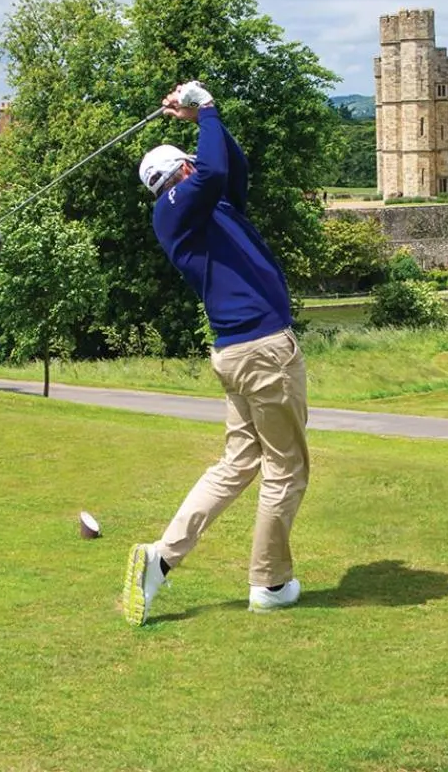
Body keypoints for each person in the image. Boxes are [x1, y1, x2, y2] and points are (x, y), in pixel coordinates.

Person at [121, 81, 310, 626]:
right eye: (189, 166)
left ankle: (161, 559)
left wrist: (203, 120)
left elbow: (232, 166)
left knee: (238, 463)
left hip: (240, 353)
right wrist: (204, 108)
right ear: (178, 173)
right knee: (285, 469)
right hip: (263, 352)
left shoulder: (210, 205)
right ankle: (269, 583)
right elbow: (209, 173)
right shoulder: (174, 212)